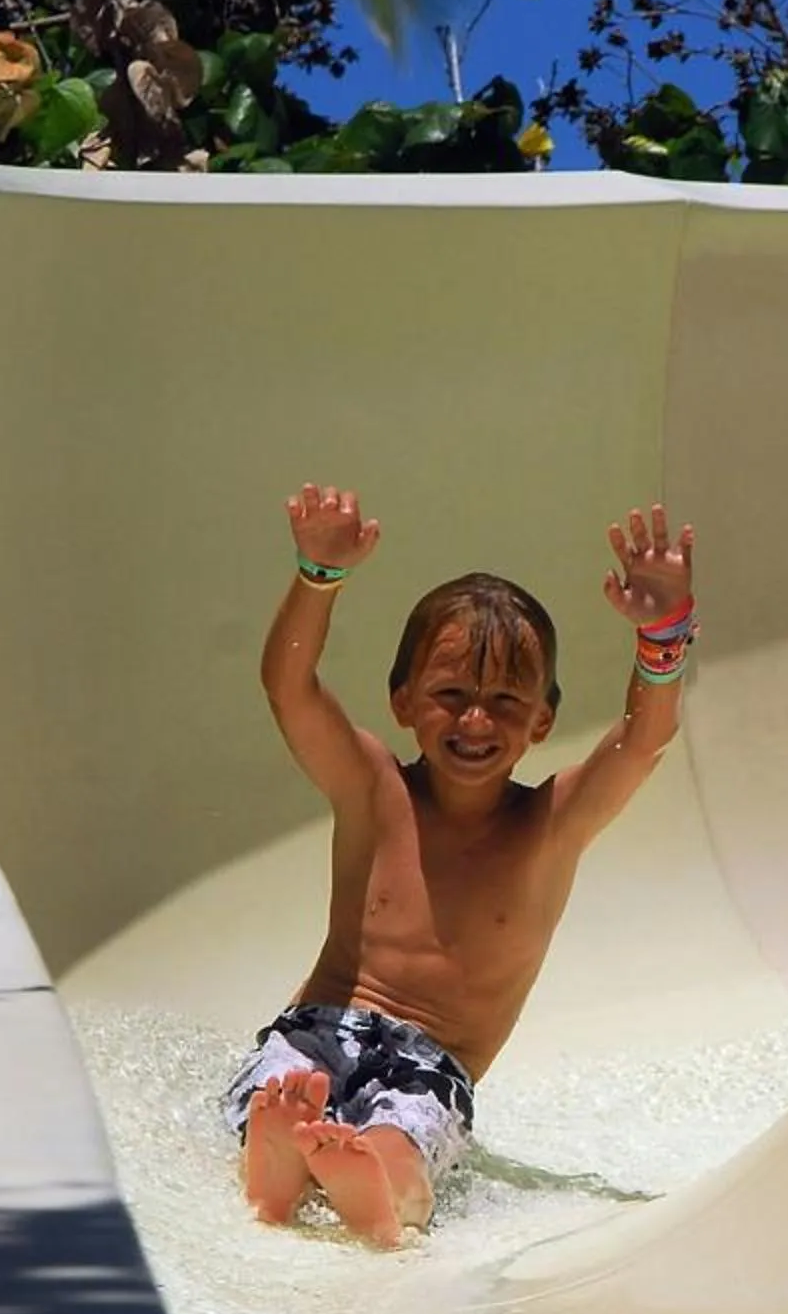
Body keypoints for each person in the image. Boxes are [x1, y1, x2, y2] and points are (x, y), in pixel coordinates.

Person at [225, 482, 697, 1246]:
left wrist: (664, 633)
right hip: (319, 1031)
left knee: (407, 1135)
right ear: (403, 700)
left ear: (543, 720)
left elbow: (644, 740)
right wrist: (319, 573)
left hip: (431, 1065)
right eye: (450, 693)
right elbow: (290, 688)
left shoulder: (548, 826)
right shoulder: (373, 789)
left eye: (507, 701)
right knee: (278, 1089)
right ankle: (280, 1152)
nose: (477, 720)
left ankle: (370, 1176)